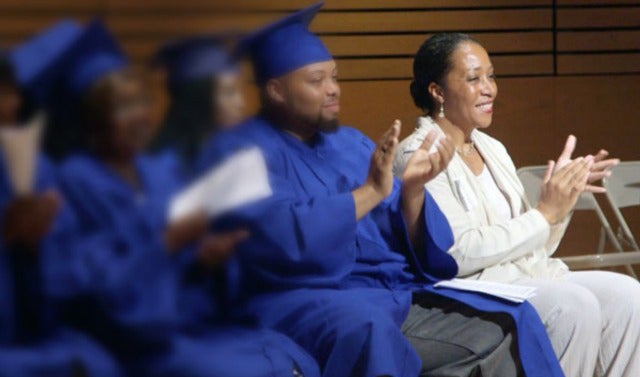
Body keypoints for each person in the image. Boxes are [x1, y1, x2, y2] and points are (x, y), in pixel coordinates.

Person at [199, 3, 563, 376]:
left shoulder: (350, 144)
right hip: (298, 298)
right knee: (371, 330)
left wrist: (413, 191)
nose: (332, 91)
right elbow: (281, 236)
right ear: (276, 90)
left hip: (389, 290)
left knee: (511, 320)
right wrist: (370, 191)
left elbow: (411, 241)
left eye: (334, 78)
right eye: (316, 81)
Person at [38, 20, 320, 377]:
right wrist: (168, 243)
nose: (140, 115)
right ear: (92, 121)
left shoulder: (157, 171)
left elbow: (194, 269)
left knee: (293, 356)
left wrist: (206, 258)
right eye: (122, 107)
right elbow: (93, 286)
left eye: (141, 102)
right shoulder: (76, 183)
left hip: (195, 320)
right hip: (129, 338)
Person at [394, 32, 640, 377]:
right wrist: (544, 214)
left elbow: (536, 247)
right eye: (473, 78)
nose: (489, 89)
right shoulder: (418, 154)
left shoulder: (492, 147)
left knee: (629, 295)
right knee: (573, 306)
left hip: (523, 276)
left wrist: (560, 204)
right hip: (463, 288)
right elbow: (455, 254)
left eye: (491, 76)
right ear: (437, 91)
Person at [0, 22, 123, 377]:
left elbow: (68, 262)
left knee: (96, 363)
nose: (7, 105)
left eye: (9, 94)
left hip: (42, 331)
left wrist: (37, 247)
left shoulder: (38, 167)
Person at [150, 35, 246, 171]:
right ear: (199, 98)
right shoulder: (163, 166)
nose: (240, 103)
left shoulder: (235, 150)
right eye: (229, 92)